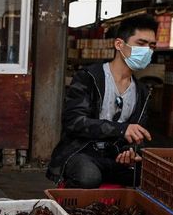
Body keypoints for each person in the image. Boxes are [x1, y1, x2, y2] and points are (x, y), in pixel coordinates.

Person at [47, 15, 158, 188]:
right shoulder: (89, 77)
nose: (148, 50)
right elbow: (74, 121)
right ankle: (69, 206)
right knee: (88, 176)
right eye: (141, 44)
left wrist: (129, 152)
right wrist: (121, 130)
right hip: (81, 151)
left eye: (152, 46)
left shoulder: (142, 92)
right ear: (119, 45)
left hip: (113, 156)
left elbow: (136, 136)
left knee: (152, 178)